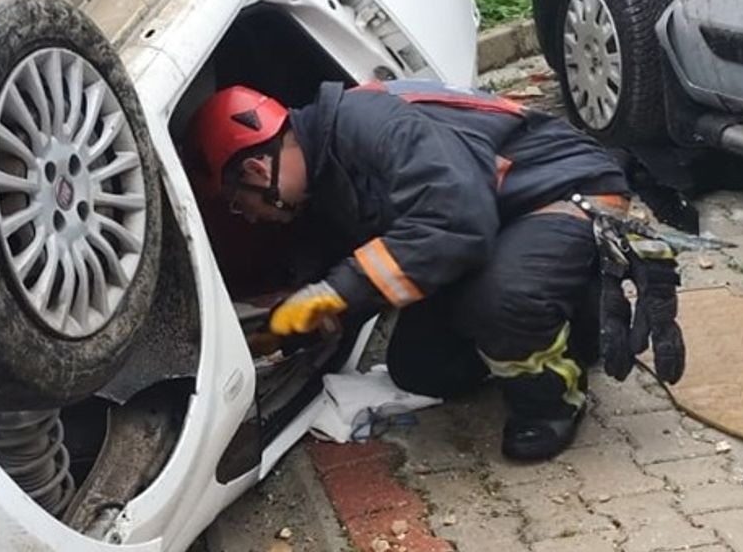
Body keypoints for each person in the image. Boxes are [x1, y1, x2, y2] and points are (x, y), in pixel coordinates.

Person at [190, 80, 633, 461]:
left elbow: (457, 220)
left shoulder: (370, 123)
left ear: (256, 168)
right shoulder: (327, 165)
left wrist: (335, 293)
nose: (247, 216)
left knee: (499, 302)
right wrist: (306, 319)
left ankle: (554, 399)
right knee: (420, 368)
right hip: (494, 217)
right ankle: (558, 315)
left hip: (561, 191)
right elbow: (377, 256)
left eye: (238, 202)